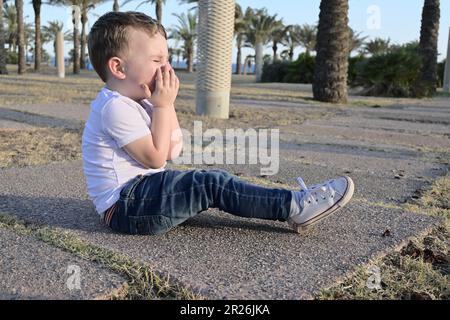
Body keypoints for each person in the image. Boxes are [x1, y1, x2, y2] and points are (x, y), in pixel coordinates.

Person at [81, 11, 355, 236]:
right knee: (212, 183)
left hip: (143, 196)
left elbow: (172, 151)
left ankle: (289, 203)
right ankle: (294, 206)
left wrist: (165, 104)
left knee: (210, 180)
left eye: (166, 59)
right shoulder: (114, 107)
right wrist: (163, 105)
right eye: (157, 60)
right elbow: (154, 159)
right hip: (128, 208)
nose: (167, 68)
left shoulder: (141, 102)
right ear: (119, 68)